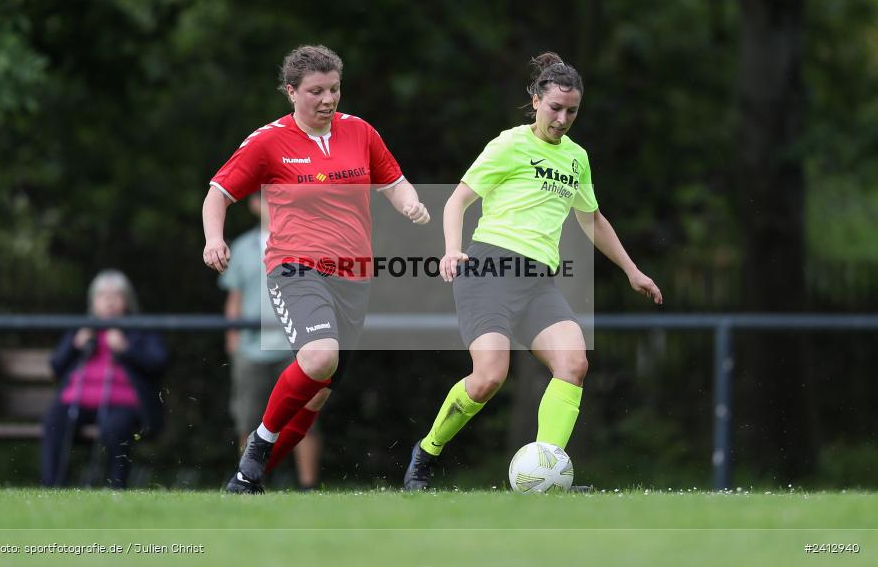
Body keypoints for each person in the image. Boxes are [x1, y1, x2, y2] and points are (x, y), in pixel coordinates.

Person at [403, 52, 663, 490]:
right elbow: (457, 200)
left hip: (538, 283)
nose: (562, 119)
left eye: (572, 111)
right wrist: (451, 250)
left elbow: (592, 219)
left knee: (574, 363)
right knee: (488, 377)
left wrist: (632, 270)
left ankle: (545, 472)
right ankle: (425, 453)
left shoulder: (577, 158)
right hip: (488, 271)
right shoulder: (509, 144)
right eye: (555, 108)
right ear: (536, 101)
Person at [202, 44, 430, 494]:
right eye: (316, 91)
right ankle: (258, 445)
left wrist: (411, 205)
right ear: (291, 92)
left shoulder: (360, 132)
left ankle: (246, 481)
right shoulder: (268, 140)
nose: (328, 99)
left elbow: (394, 182)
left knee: (318, 391)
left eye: (334, 89)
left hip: (354, 276)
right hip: (296, 268)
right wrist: (214, 238)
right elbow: (218, 194)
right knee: (320, 357)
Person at [219, 194, 322, 489]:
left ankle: (307, 486)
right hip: (251, 347)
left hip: (297, 345)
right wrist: (233, 339)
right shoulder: (242, 248)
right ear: (254, 205)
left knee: (305, 416)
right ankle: (248, 480)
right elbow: (235, 299)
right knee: (248, 419)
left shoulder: (306, 243)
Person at [42, 269, 167, 488]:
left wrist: (126, 349)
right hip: (76, 401)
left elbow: (159, 363)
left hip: (122, 403)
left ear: (127, 301)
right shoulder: (83, 329)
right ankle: (52, 486)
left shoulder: (139, 328)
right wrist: (75, 345)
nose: (109, 301)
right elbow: (55, 366)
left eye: (115, 295)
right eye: (102, 295)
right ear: (93, 302)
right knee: (55, 420)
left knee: (115, 426)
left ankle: (116, 487)